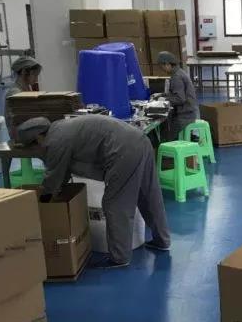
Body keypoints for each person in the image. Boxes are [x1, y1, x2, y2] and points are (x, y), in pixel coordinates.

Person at [16, 115, 171, 269]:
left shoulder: (54, 141)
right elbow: (63, 171)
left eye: (34, 145)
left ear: (38, 137)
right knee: (149, 194)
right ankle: (162, 240)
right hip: (139, 140)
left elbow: (54, 176)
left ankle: (120, 258)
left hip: (123, 152)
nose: (37, 149)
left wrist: (43, 200)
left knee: (115, 204)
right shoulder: (59, 127)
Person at [156, 51, 199, 142]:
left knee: (164, 137)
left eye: (162, 67)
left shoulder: (176, 77)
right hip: (188, 112)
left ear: (167, 64)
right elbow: (176, 93)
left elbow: (180, 99)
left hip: (185, 116)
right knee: (166, 128)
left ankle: (170, 150)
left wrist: (164, 99)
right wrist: (162, 95)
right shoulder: (179, 72)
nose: (162, 70)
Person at [5, 56, 42, 140]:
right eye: (34, 74)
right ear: (23, 72)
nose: (36, 79)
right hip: (18, 134)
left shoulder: (27, 88)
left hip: (26, 130)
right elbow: (21, 118)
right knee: (44, 121)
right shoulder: (15, 92)